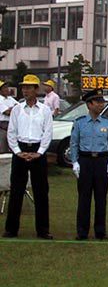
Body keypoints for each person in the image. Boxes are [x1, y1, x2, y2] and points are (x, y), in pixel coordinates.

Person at [3, 75, 53, 239]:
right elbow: (11, 132)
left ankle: (43, 230)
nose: (25, 90)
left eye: (29, 87)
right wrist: (18, 151)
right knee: (16, 190)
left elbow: (48, 132)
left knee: (41, 191)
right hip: (21, 149)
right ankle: (11, 229)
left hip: (38, 149)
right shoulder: (17, 109)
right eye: (24, 87)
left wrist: (40, 152)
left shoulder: (45, 110)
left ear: (36, 90)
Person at [69, 89, 108, 240]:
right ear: (89, 104)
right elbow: (74, 143)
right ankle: (82, 231)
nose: (100, 104)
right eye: (97, 102)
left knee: (101, 197)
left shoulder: (107, 123)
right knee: (84, 197)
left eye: (102, 101)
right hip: (85, 161)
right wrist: (75, 162)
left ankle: (100, 231)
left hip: (101, 161)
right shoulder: (80, 122)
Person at [0, 80, 19, 154]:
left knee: (13, 147)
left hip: (11, 124)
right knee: (3, 148)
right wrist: (13, 108)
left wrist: (11, 109)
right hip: (2, 126)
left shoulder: (10, 98)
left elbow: (19, 107)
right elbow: (7, 112)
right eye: (4, 87)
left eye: (7, 87)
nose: (7, 89)